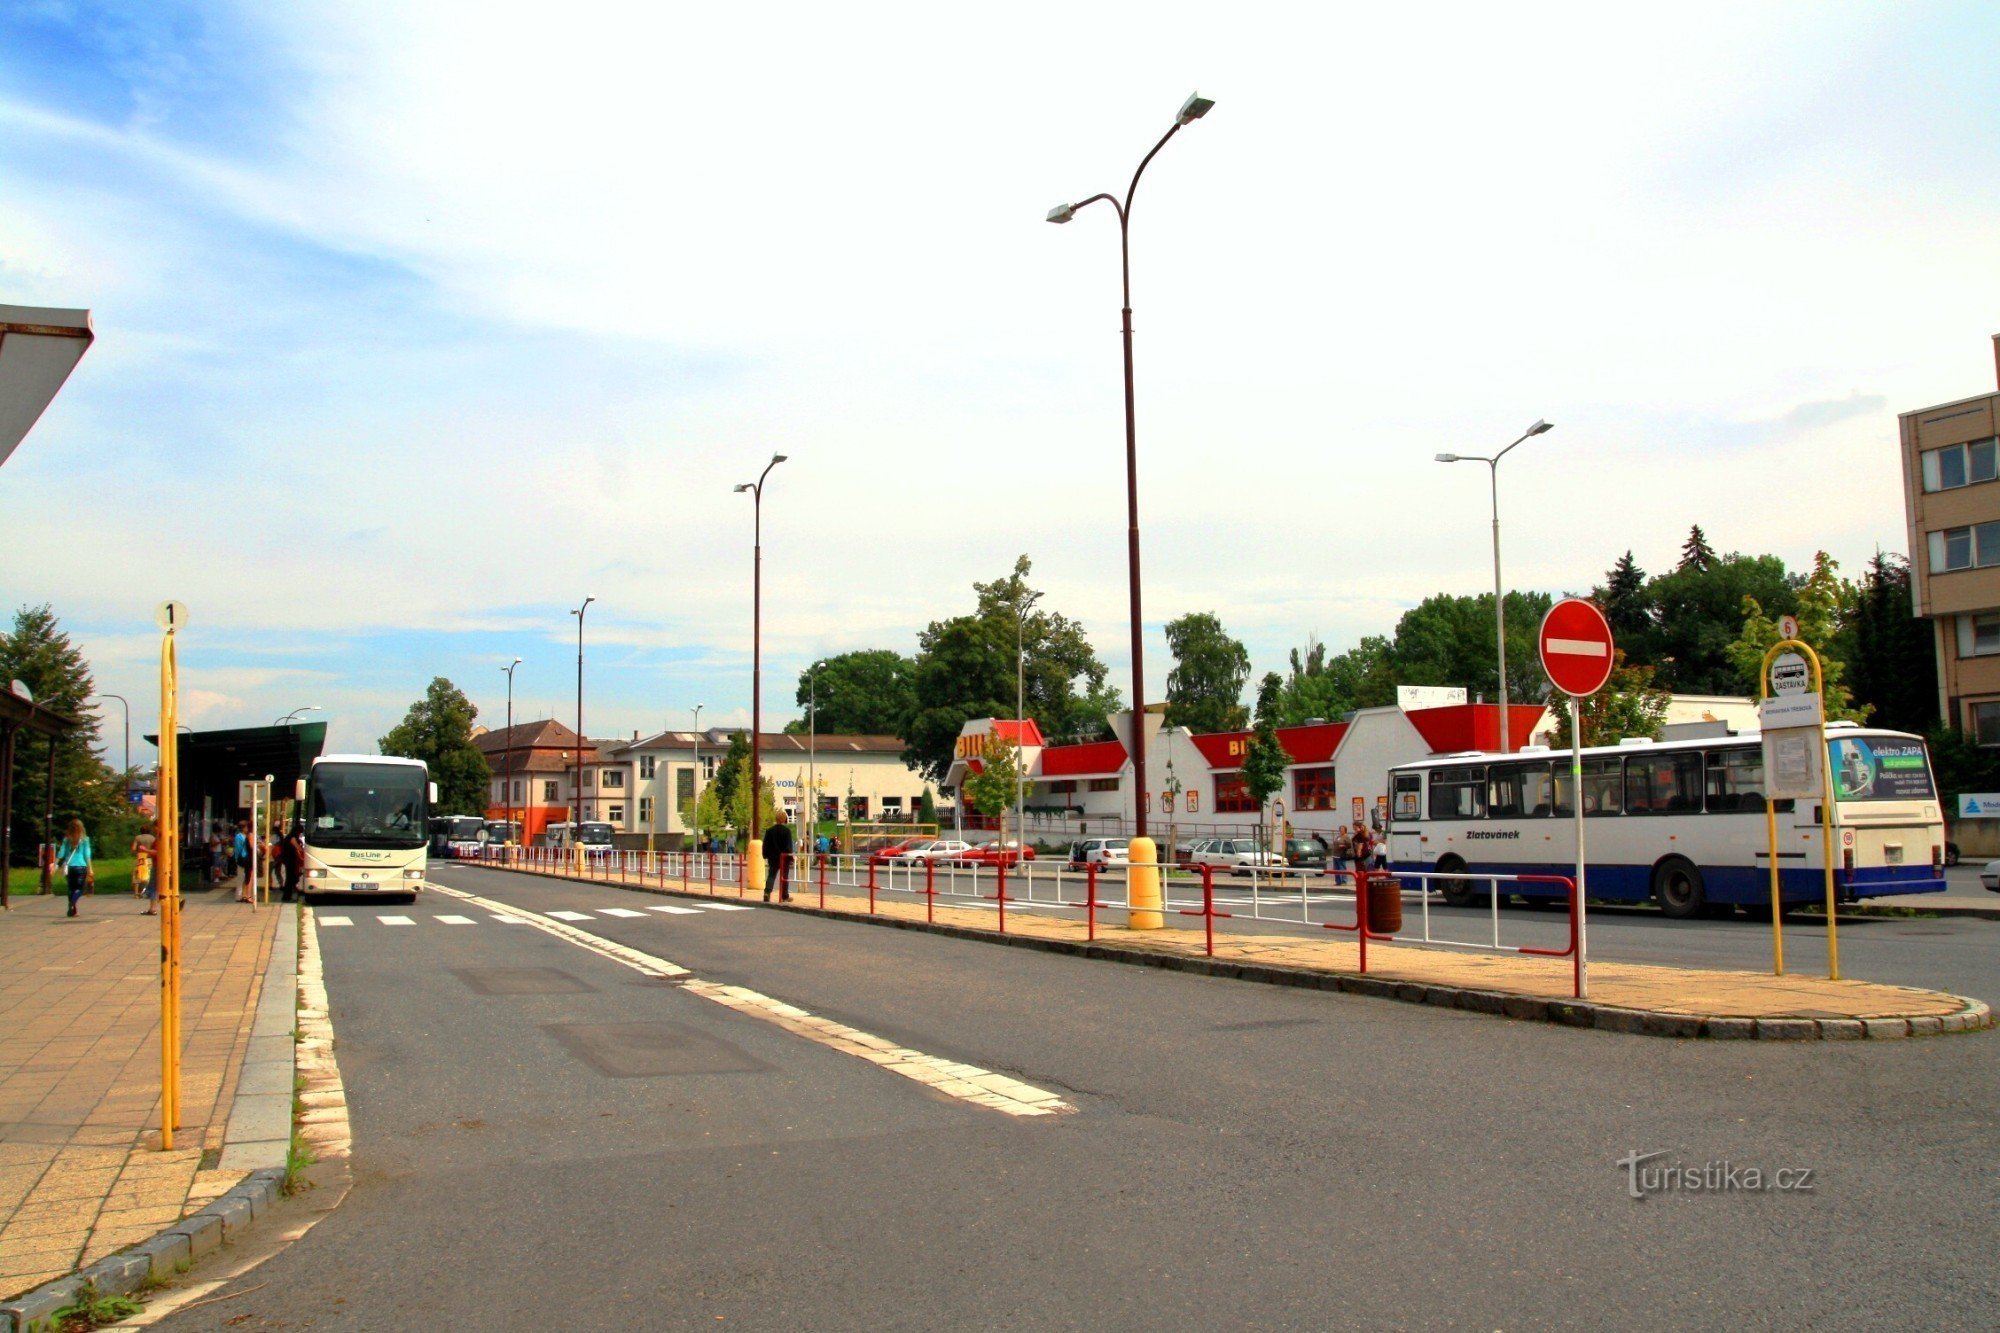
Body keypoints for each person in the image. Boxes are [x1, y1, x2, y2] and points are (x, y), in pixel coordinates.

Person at [55, 818, 93, 918]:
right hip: (81, 866)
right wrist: (90, 868)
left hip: (69, 866)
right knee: (80, 888)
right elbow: (87, 854)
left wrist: (55, 864)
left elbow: (61, 853)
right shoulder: (85, 839)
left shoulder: (67, 839)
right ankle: (73, 903)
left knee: (71, 888)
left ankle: (72, 909)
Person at [761, 813, 794, 903]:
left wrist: (765, 855)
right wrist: (791, 858)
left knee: (771, 874)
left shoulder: (769, 831)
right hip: (784, 857)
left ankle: (767, 892)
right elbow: (788, 847)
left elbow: (765, 845)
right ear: (784, 820)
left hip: (772, 857)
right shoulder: (787, 831)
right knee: (784, 877)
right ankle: (784, 896)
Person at [233, 822, 253, 902]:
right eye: (246, 827)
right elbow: (238, 849)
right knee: (241, 877)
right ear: (243, 828)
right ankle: (239, 896)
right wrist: (238, 858)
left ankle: (244, 895)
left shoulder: (245, 836)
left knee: (245, 877)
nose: (247, 829)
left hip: (246, 858)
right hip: (241, 859)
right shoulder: (239, 836)